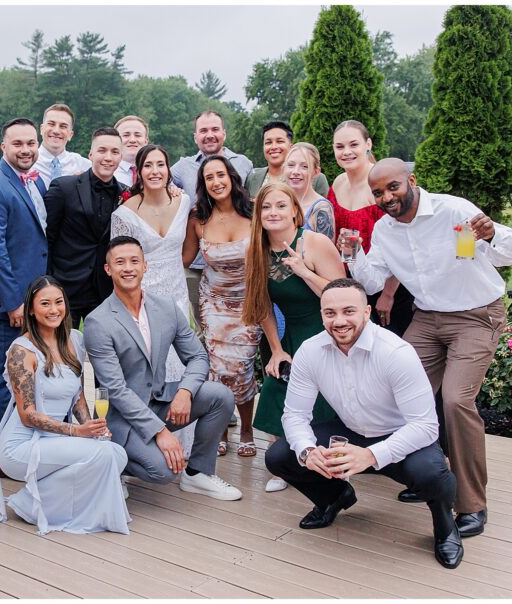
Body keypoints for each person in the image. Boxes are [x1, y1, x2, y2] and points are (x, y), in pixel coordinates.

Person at [350, 158, 512, 538]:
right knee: (398, 396)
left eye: (392, 187)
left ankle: (472, 503)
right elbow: (373, 279)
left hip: (476, 315)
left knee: (456, 401)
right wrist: (353, 255)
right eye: (378, 192)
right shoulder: (384, 229)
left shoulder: (453, 210)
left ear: (410, 180)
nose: (386, 197)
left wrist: (493, 233)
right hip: (428, 318)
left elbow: (509, 255)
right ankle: (428, 477)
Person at [264, 278, 463, 570]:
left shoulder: (396, 352)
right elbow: (294, 415)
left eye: (349, 311)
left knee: (432, 473)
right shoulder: (310, 350)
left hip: (400, 437)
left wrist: (371, 455)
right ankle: (334, 497)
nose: (339, 321)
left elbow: (425, 426)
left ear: (367, 312)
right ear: (321, 315)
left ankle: (446, 527)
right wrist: (307, 450)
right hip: (349, 431)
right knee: (280, 455)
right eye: (330, 313)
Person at [0, 276, 131, 535]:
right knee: (104, 455)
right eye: (45, 303)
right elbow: (28, 415)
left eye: (58, 302)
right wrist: (78, 432)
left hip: (55, 439)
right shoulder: (22, 352)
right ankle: (33, 505)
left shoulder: (75, 340)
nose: (54, 309)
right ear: (31, 309)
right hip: (21, 446)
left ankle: (34, 501)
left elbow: (77, 395)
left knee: (115, 453)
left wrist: (89, 425)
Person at [84, 237, 242, 501]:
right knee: (164, 471)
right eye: (119, 262)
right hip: (122, 418)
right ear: (108, 269)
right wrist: (160, 432)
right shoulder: (97, 322)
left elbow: (198, 357)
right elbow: (117, 390)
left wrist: (185, 392)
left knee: (220, 396)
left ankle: (198, 474)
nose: (128, 268)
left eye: (135, 261)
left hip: (159, 400)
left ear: (145, 266)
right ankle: (113, 463)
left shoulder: (166, 307)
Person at [242, 183, 345, 492]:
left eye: (280, 206)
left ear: (295, 212)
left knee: (325, 398)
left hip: (328, 331)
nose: (274, 212)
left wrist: (304, 271)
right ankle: (287, 463)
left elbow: (343, 297)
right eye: (266, 207)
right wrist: (275, 350)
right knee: (276, 386)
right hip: (292, 335)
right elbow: (262, 306)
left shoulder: (314, 243)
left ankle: (334, 460)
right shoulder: (256, 250)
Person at [0, 118, 49, 455]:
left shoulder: (37, 183)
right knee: (4, 379)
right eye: (18, 144)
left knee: (28, 375)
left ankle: (25, 446)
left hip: (35, 301)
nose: (26, 150)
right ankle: (2, 456)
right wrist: (14, 302)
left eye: (31, 143)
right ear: (3, 147)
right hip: (9, 306)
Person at [111, 144, 195, 454]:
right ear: (140, 171)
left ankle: (182, 441)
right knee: (145, 367)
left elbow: (188, 249)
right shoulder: (124, 213)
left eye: (161, 164)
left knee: (179, 366)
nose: (155, 171)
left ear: (168, 169)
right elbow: (120, 262)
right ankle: (145, 439)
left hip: (176, 295)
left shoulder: (183, 202)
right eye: (149, 165)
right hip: (142, 298)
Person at [182, 156, 261, 458]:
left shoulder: (253, 212)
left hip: (247, 304)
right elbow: (185, 259)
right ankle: (222, 430)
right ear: (203, 185)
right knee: (216, 371)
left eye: (221, 175)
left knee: (242, 367)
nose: (216, 182)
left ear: (231, 177)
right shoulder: (197, 218)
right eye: (209, 178)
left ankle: (247, 429)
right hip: (213, 303)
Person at [171, 110, 253, 339]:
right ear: (195, 136)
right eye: (203, 130)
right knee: (205, 330)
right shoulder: (181, 168)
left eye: (215, 129)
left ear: (224, 133)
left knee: (242, 329)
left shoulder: (244, 163)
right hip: (198, 260)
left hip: (238, 263)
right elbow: (159, 187)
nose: (210, 135)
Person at [328, 120, 413, 336]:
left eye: (353, 144)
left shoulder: (380, 184)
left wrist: (388, 294)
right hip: (352, 287)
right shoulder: (338, 182)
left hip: (389, 289)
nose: (346, 152)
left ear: (368, 144)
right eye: (340, 147)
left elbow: (401, 241)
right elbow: (347, 241)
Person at [44, 127, 127, 326]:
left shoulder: (127, 194)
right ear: (90, 154)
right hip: (65, 286)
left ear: (121, 157)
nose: (108, 157)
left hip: (104, 290)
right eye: (102, 150)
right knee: (61, 352)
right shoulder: (63, 188)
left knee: (104, 352)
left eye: (115, 152)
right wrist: (48, 283)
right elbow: (47, 238)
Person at [244, 120, 330, 198]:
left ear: (291, 146)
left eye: (280, 141)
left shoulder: (316, 178)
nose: (273, 147)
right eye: (268, 142)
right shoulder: (252, 178)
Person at [31, 103, 92, 188]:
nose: (56, 131)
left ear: (70, 134)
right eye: (51, 124)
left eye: (63, 126)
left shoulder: (83, 166)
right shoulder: (28, 162)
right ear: (41, 129)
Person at [284, 142, 334, 239]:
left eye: (304, 167)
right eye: (291, 165)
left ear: (316, 172)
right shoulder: (277, 202)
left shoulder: (321, 208)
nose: (295, 172)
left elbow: (326, 252)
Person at [114, 115, 149, 187]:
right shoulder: (106, 175)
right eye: (126, 135)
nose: (132, 140)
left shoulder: (159, 174)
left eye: (138, 135)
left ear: (146, 141)